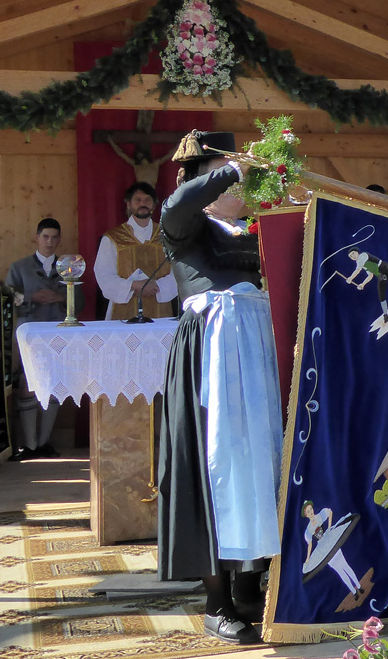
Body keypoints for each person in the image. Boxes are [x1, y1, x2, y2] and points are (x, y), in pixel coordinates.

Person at [157, 131, 284, 647]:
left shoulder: (251, 229)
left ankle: (251, 582)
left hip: (254, 350)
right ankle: (217, 601)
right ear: (204, 176)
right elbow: (180, 203)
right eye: (227, 174)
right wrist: (233, 169)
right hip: (210, 354)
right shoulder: (183, 223)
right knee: (216, 464)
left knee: (260, 462)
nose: (242, 185)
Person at [5, 217, 85, 460]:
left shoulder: (69, 267)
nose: (50, 242)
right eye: (45, 237)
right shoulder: (19, 268)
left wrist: (61, 298)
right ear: (36, 238)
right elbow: (8, 301)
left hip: (60, 332)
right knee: (27, 384)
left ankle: (44, 443)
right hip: (30, 332)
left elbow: (79, 303)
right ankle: (28, 446)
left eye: (54, 237)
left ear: (59, 240)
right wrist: (32, 298)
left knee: (54, 383)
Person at [93, 182, 178, 320]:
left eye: (147, 200)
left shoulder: (167, 237)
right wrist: (133, 286)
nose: (142, 204)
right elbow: (103, 274)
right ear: (128, 204)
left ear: (154, 204)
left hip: (160, 310)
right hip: (122, 312)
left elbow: (178, 271)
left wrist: (157, 286)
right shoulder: (113, 238)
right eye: (137, 200)